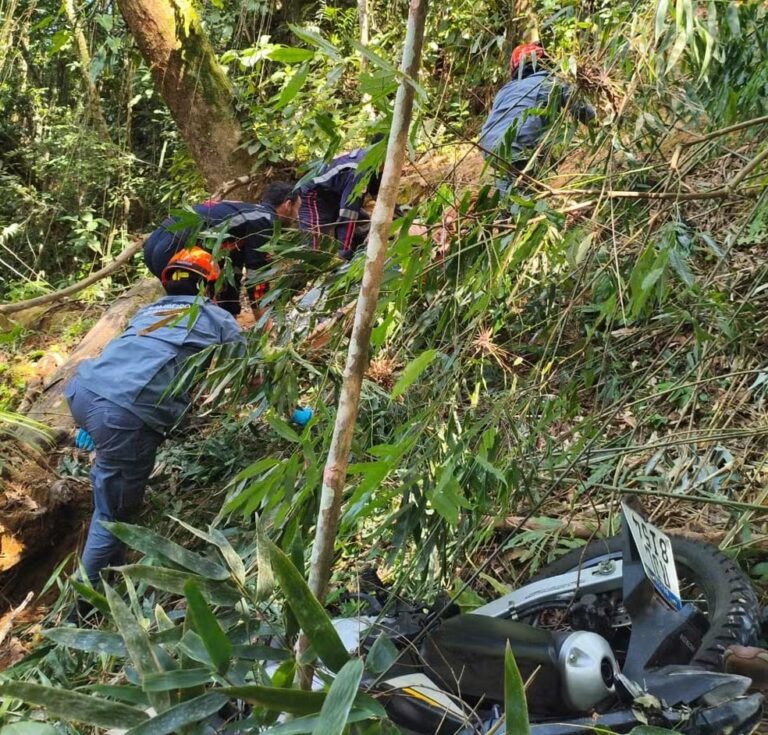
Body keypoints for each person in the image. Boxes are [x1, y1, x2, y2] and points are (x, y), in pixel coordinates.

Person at [65, 247, 245, 586]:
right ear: (209, 286)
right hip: (123, 413)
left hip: (83, 391)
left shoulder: (149, 312)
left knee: (111, 480)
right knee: (112, 515)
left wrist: (87, 421)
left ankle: (111, 570)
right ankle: (83, 603)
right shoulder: (218, 319)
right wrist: (292, 412)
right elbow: (249, 376)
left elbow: (125, 355)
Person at [143, 182, 301, 317]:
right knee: (193, 312)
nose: (298, 216)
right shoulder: (264, 221)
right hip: (176, 249)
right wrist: (266, 328)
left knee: (187, 308)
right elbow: (258, 277)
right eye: (298, 209)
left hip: (154, 246)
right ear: (288, 205)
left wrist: (230, 311)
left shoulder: (243, 212)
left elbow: (231, 271)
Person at [478, 43, 594, 192]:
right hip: (518, 143)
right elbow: (585, 111)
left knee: (509, 183)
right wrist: (599, 124)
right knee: (522, 188)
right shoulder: (552, 81)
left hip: (488, 145)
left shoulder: (505, 90)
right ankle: (522, 206)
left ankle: (505, 209)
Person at [298, 139, 383, 259]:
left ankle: (356, 260)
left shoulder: (373, 163)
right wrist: (343, 253)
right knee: (313, 246)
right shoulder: (361, 169)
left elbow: (383, 198)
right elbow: (348, 216)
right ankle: (316, 270)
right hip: (315, 195)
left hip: (335, 195)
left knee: (362, 224)